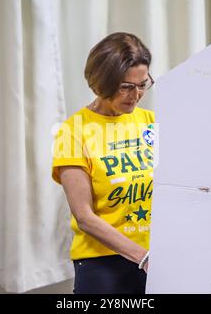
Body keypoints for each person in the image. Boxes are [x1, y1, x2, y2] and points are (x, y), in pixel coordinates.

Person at [52, 32, 155, 294]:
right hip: (103, 266)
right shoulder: (73, 131)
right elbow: (84, 217)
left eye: (143, 84)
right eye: (126, 87)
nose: (136, 94)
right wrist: (142, 257)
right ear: (101, 83)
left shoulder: (150, 123)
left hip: (156, 257)